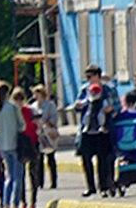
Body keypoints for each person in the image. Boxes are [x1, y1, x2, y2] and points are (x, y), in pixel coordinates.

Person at [69, 65, 121, 197]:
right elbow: (77, 105)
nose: (88, 79)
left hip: (103, 130)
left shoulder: (108, 90)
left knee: (103, 159)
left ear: (98, 76)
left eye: (90, 76)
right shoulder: (84, 90)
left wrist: (111, 109)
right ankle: (90, 187)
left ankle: (103, 187)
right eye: (86, 77)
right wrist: (78, 106)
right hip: (87, 130)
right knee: (86, 159)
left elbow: (118, 106)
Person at [0, 82, 26, 208]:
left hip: (2, 146)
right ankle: (15, 205)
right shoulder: (13, 108)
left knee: (8, 176)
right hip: (15, 144)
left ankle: (5, 205)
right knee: (18, 176)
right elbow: (22, 125)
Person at [31, 84, 60, 192]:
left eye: (37, 93)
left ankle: (53, 182)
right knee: (39, 159)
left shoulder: (50, 105)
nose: (36, 96)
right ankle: (40, 182)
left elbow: (54, 118)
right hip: (38, 134)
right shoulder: (33, 106)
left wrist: (46, 122)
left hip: (49, 134)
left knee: (51, 158)